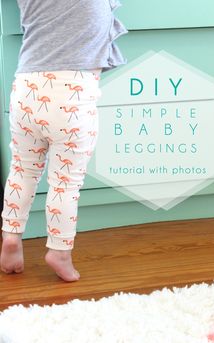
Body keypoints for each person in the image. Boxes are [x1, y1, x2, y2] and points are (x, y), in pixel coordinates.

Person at [0, 0, 128, 282]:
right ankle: (59, 252)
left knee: (23, 170)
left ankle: (10, 236)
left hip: (26, 90)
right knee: (65, 183)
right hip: (74, 98)